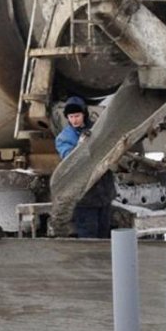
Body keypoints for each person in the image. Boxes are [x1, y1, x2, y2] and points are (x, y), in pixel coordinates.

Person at [54, 96, 116, 238]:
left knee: (104, 235)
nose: (74, 120)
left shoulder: (97, 128)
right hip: (84, 197)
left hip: (104, 195)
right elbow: (69, 159)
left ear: (84, 115)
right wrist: (81, 146)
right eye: (71, 117)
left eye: (77, 116)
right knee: (88, 236)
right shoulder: (65, 138)